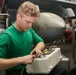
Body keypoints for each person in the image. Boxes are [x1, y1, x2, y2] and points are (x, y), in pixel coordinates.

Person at [0, 1, 69, 75]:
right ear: (18, 17)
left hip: (31, 68)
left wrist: (37, 48)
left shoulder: (28, 30)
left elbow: (40, 42)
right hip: (17, 71)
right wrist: (21, 60)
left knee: (62, 71)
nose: (30, 26)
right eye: (28, 22)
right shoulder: (6, 36)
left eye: (32, 23)